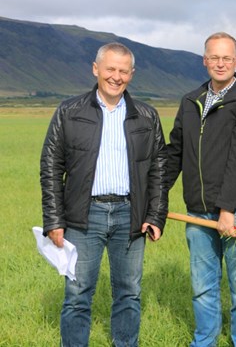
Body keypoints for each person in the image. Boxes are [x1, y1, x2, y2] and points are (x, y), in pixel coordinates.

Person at [40, 42, 167, 346]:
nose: (116, 76)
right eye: (110, 69)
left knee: (129, 293)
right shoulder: (69, 111)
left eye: (124, 71)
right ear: (96, 69)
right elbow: (51, 166)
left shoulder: (146, 116)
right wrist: (54, 220)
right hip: (84, 216)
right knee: (77, 294)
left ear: (132, 74)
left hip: (130, 216)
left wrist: (155, 215)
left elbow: (159, 169)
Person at [163, 32, 236, 347]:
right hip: (198, 212)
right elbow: (175, 153)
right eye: (214, 57)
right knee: (203, 288)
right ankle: (204, 341)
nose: (220, 64)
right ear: (204, 60)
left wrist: (227, 210)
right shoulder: (190, 101)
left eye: (227, 58)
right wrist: (156, 198)